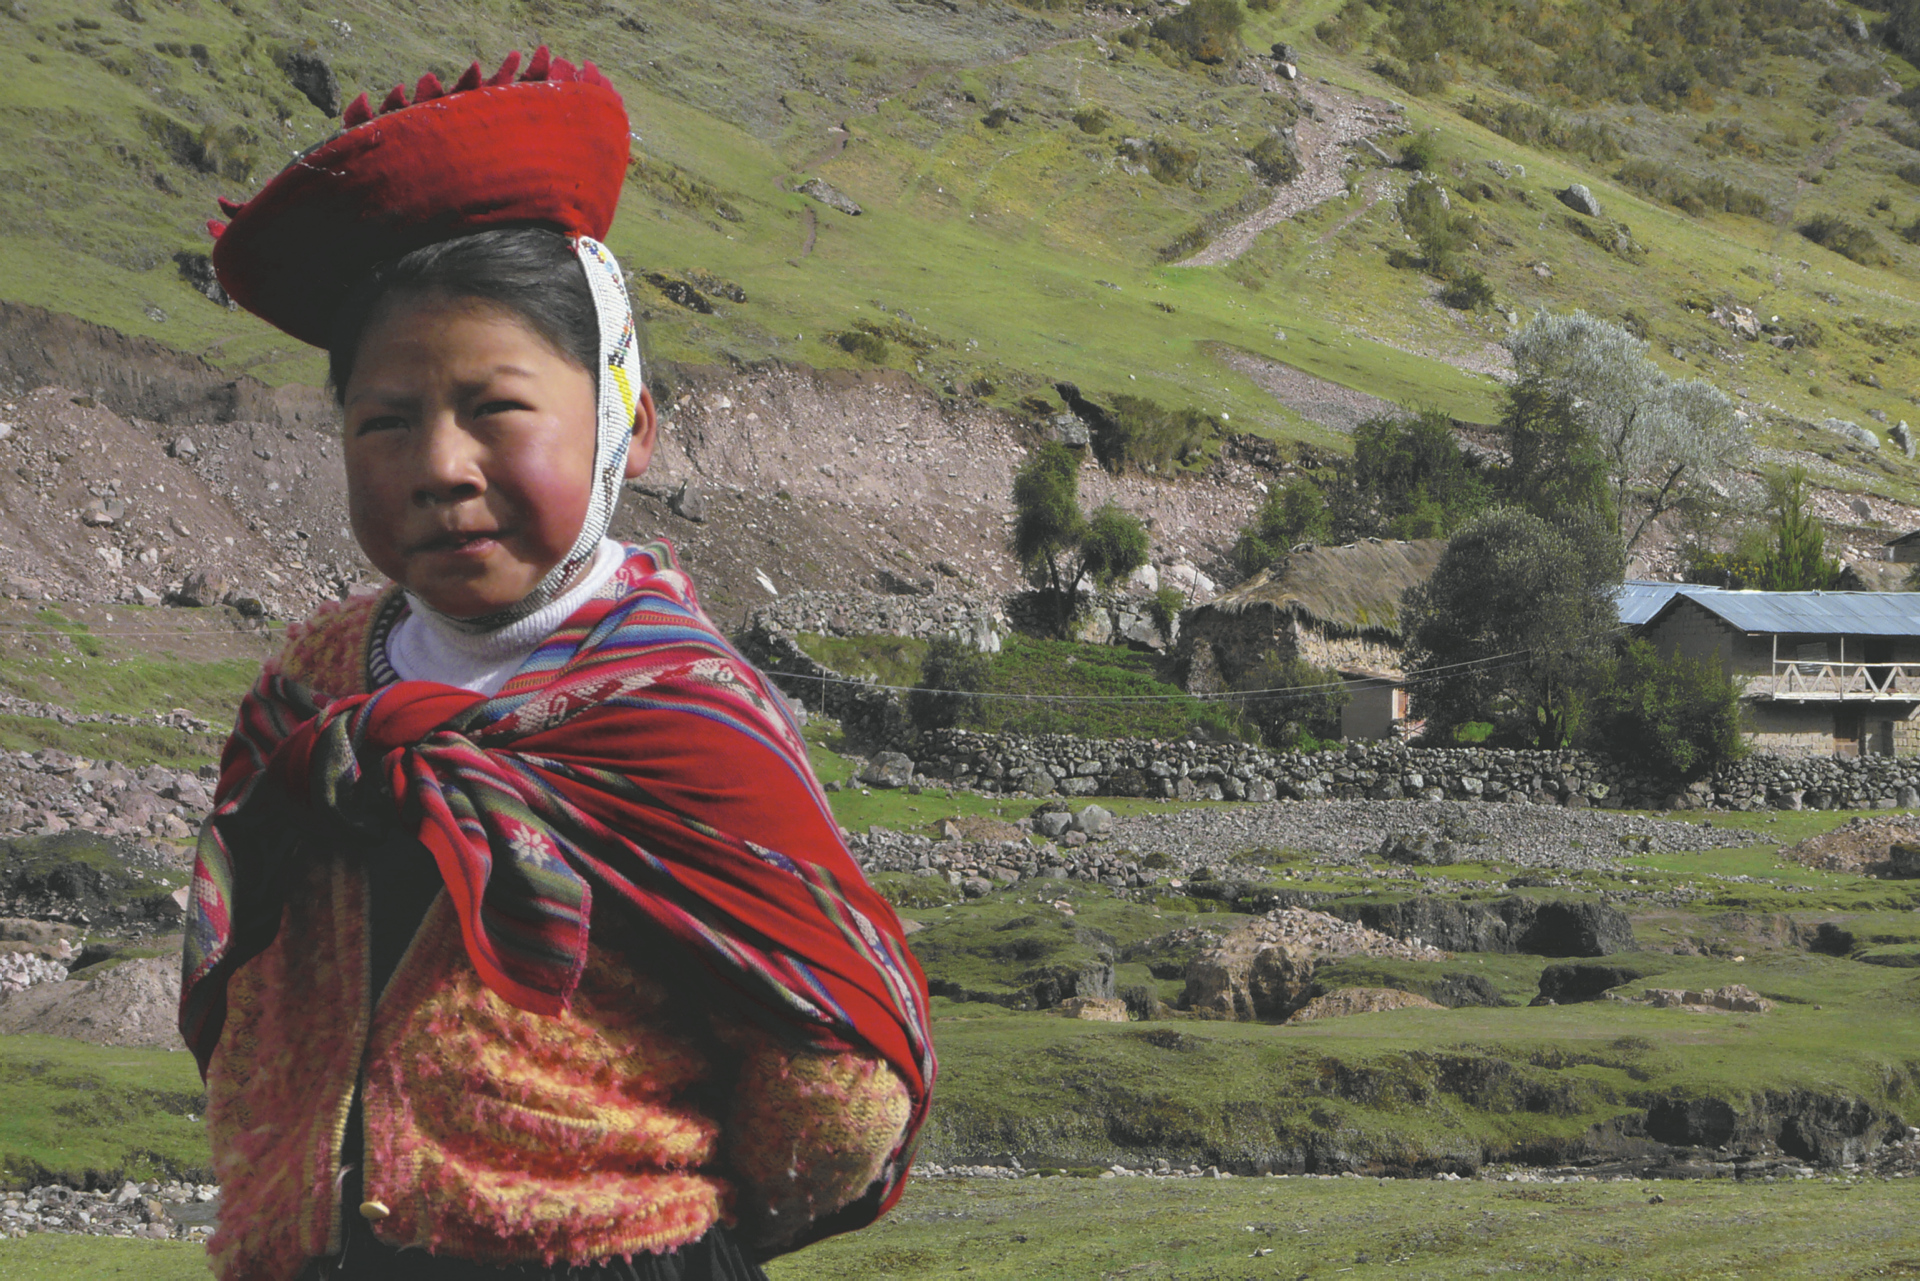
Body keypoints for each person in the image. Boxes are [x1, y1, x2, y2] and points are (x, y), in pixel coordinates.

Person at [178, 49, 934, 1281]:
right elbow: (252, 995)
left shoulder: (681, 712)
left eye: (496, 408)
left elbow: (838, 1081)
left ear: (626, 418)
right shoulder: (314, 688)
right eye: (384, 420)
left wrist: (642, 1205)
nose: (439, 466)